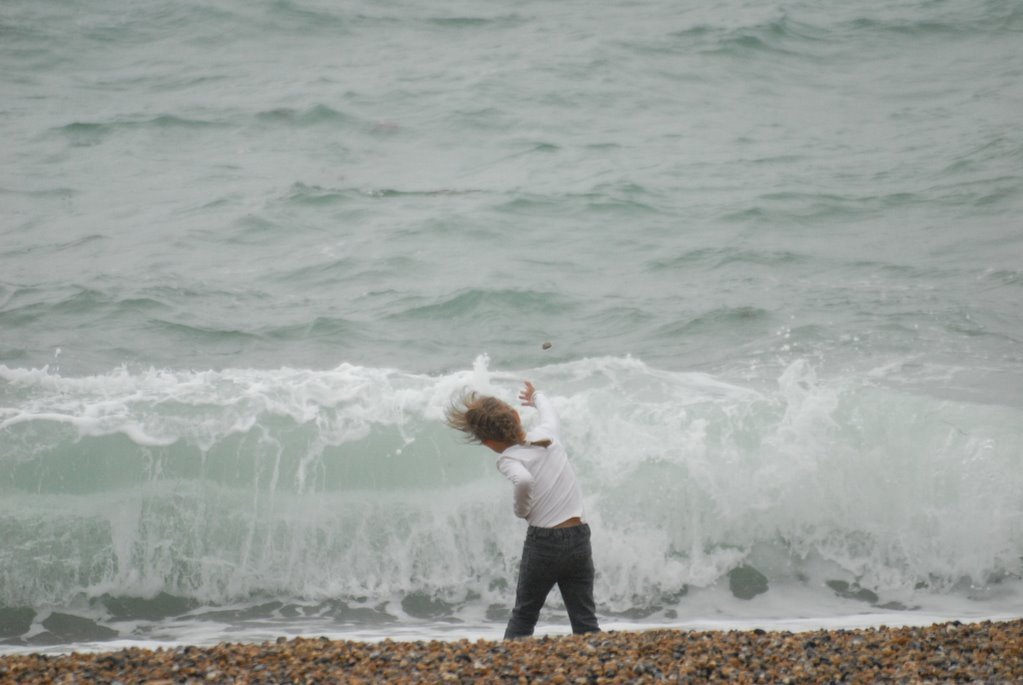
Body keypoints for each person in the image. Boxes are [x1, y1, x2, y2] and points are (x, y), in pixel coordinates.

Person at [445, 380, 600, 639]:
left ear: (487, 443)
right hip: (579, 537)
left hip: (544, 544)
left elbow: (524, 480)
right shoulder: (548, 434)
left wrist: (521, 510)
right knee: (584, 617)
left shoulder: (508, 458)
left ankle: (507, 667)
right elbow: (550, 412)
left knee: (525, 614)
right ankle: (602, 667)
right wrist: (536, 396)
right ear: (516, 416)